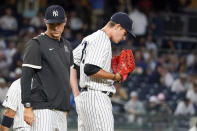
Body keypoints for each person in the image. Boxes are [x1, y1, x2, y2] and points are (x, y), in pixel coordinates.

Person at [20, 5, 79, 131]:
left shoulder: (67, 45)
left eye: (59, 23)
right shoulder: (36, 43)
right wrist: (27, 106)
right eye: (52, 24)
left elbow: (65, 76)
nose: (56, 27)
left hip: (61, 110)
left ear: (66, 21)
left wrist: (66, 105)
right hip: (43, 109)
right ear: (45, 22)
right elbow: (25, 76)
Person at [73, 12, 135, 131]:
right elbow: (90, 69)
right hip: (97, 99)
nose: (124, 37)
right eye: (125, 33)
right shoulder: (103, 39)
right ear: (117, 26)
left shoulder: (90, 38)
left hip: (85, 97)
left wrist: (76, 94)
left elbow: (71, 64)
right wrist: (115, 77)